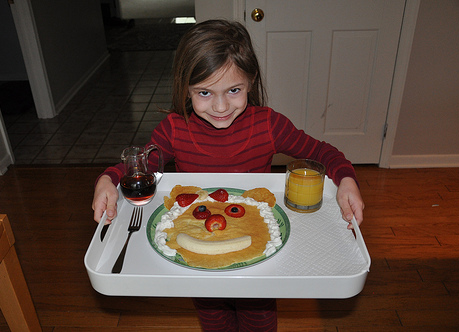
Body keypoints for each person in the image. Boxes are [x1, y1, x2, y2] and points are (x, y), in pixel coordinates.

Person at [92, 19, 364, 332]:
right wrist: (107, 180)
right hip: (197, 249)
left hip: (260, 255)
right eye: (204, 92)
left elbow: (324, 154)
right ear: (186, 88)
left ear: (251, 83)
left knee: (259, 321)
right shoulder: (174, 129)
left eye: (233, 90)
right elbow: (140, 167)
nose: (221, 106)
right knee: (213, 319)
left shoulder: (269, 125)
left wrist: (346, 180)